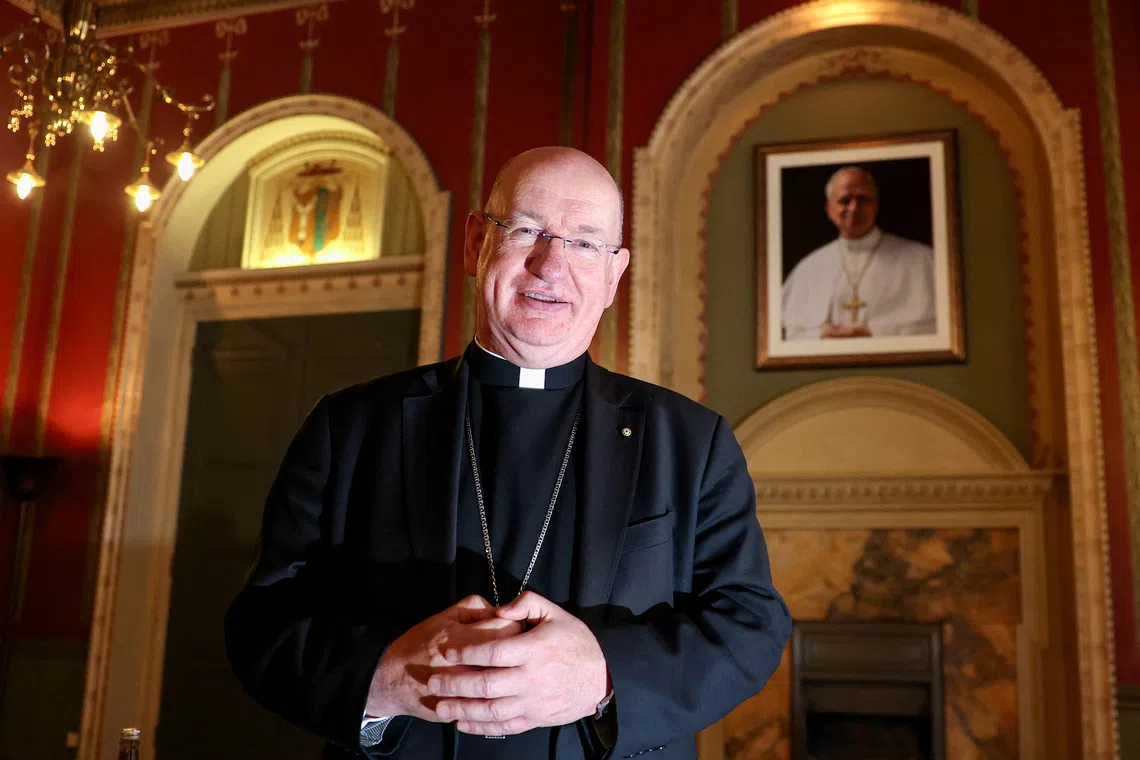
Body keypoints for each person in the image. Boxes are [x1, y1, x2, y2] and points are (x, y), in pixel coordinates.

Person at [225, 146, 791, 759]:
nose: (551, 265)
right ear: (475, 244)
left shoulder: (690, 440)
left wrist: (602, 677)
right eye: (527, 230)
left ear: (614, 276)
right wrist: (386, 678)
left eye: (584, 243)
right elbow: (264, 623)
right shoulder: (352, 426)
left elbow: (749, 626)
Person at [781, 165, 937, 340]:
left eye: (863, 199)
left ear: (876, 206)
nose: (854, 208)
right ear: (829, 211)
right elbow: (791, 334)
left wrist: (875, 334)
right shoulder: (808, 268)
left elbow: (935, 328)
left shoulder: (923, 260)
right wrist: (821, 336)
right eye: (845, 200)